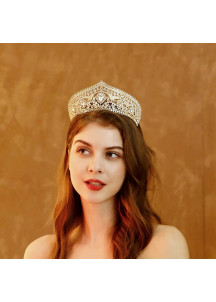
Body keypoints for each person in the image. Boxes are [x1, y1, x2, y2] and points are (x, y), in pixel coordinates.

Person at [24, 81, 189, 259]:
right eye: (83, 151)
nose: (95, 167)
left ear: (130, 164)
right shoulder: (40, 254)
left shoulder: (165, 246)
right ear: (68, 157)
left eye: (112, 154)